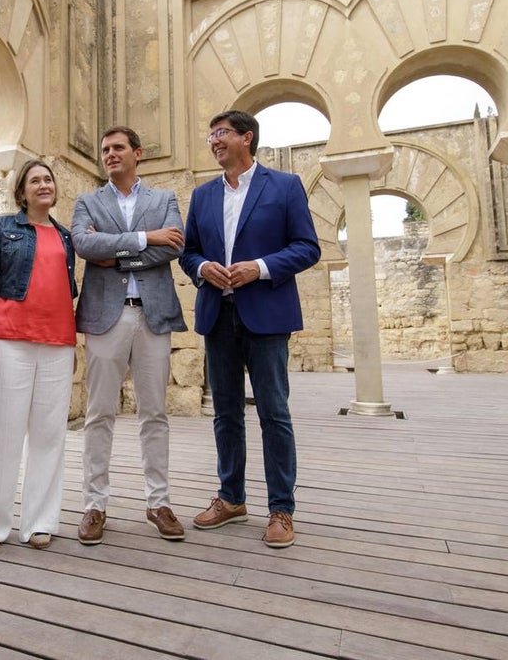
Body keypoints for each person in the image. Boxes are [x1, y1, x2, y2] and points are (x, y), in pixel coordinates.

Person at [179, 109, 320, 549]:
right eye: (210, 136)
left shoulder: (285, 186)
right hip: (217, 316)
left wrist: (257, 268)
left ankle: (281, 509)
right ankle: (231, 497)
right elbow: (188, 252)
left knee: (273, 413)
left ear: (247, 137)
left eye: (221, 133)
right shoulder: (202, 196)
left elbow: (306, 247)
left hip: (267, 316)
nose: (214, 141)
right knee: (224, 413)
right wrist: (203, 267)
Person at [70, 126, 188, 545]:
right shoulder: (87, 201)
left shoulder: (164, 199)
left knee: (154, 413)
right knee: (99, 413)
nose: (110, 154)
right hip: (106, 317)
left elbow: (172, 246)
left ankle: (159, 502)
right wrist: (143, 239)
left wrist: (116, 256)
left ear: (138, 153)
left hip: (152, 315)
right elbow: (84, 246)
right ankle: (94, 505)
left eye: (118, 148)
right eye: (105, 149)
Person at [0, 159, 77, 551]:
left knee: (50, 436)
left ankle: (39, 522)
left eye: (48, 179)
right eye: (35, 180)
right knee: (1, 434)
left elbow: (65, 294)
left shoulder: (66, 237)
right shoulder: (3, 227)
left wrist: (73, 344)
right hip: (9, 339)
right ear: (22, 190)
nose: (43, 184)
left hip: (58, 345)